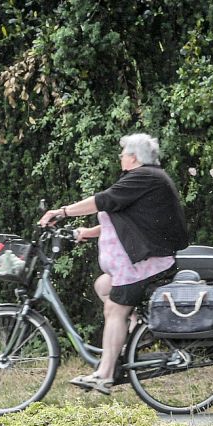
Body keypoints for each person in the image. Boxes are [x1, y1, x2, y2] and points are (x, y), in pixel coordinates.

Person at [39, 133, 189, 394]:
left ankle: (105, 374)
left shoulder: (145, 177)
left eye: (123, 154)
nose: (120, 158)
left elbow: (103, 201)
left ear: (133, 157)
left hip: (147, 263)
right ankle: (130, 337)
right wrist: (87, 232)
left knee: (115, 310)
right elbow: (125, 221)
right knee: (103, 286)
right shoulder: (145, 179)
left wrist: (61, 212)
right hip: (143, 261)